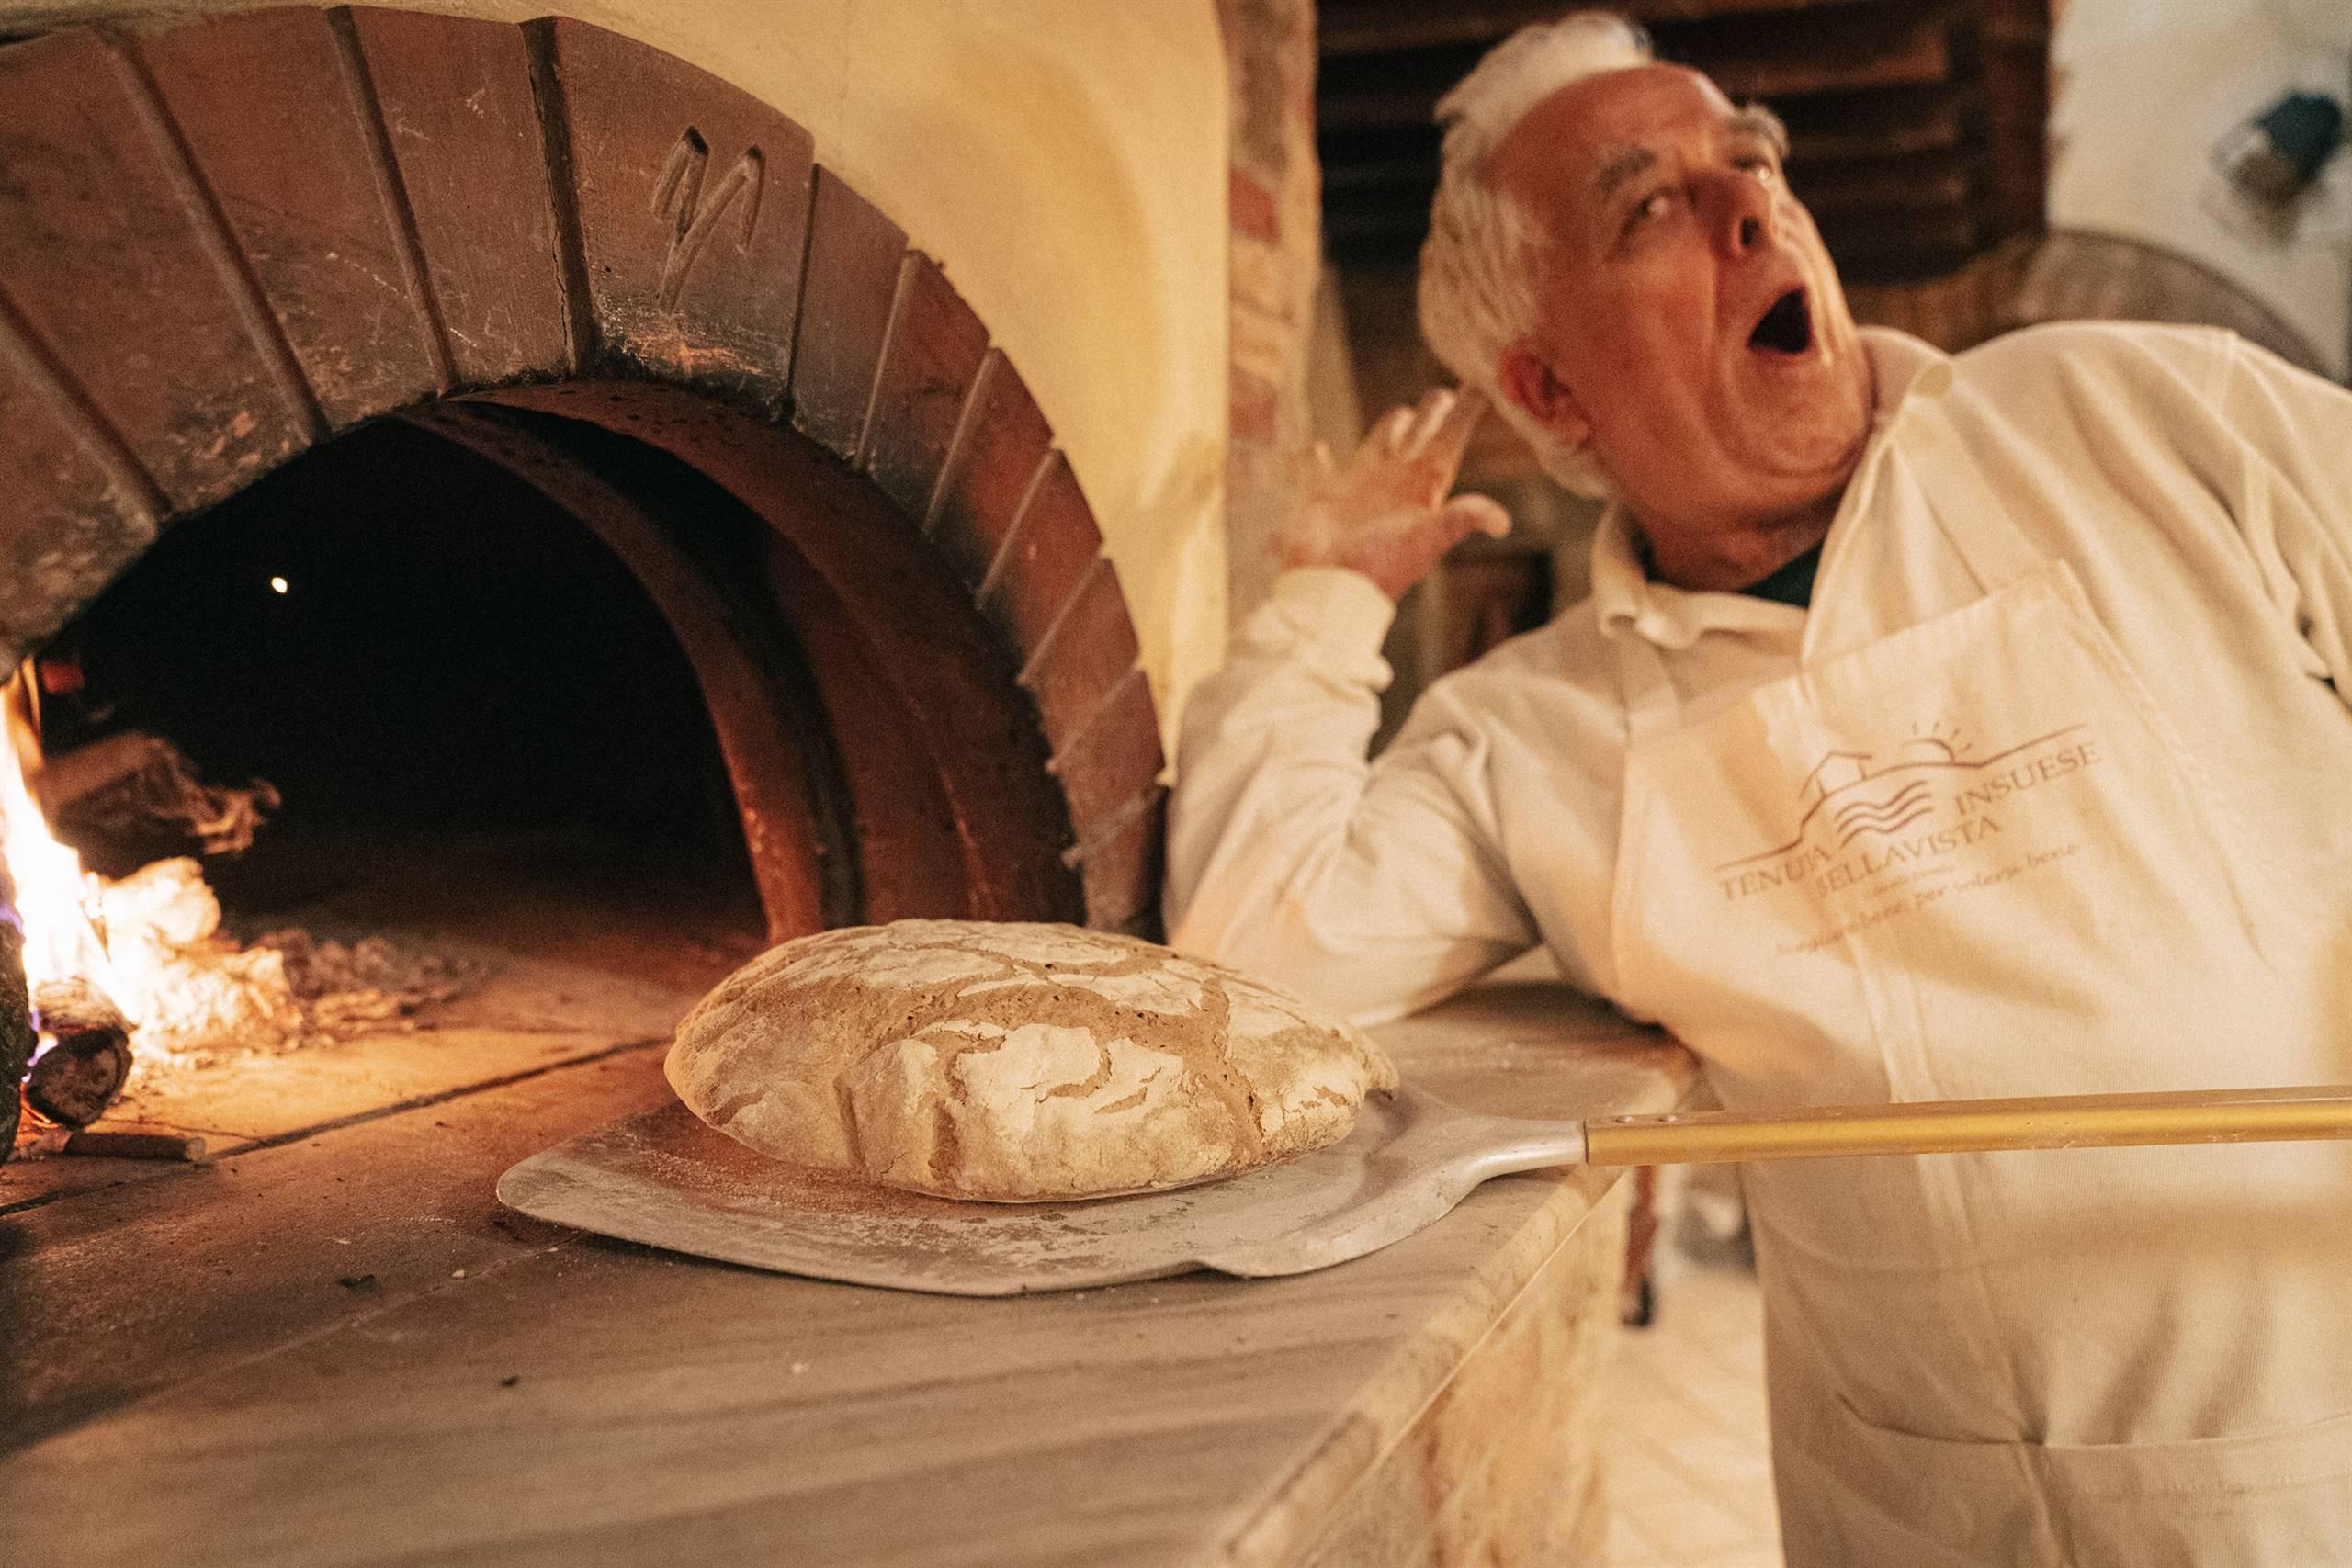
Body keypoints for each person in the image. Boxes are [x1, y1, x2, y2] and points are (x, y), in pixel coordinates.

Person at [1164, 11, 2352, 1564]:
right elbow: (1258, 945)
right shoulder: (1535, 731)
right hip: (1925, 1511)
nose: (1755, 207)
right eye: (1647, 204)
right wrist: (1324, 598)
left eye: (1755, 157)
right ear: (1552, 388)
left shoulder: (2135, 416)